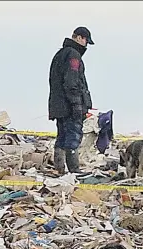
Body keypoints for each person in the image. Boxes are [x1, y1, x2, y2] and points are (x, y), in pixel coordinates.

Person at [48, 26, 95, 174]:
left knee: (62, 137)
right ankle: (74, 171)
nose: (86, 45)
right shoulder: (73, 56)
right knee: (73, 137)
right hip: (69, 106)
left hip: (58, 106)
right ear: (80, 38)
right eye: (86, 41)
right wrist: (77, 105)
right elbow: (72, 82)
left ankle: (60, 169)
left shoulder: (60, 54)